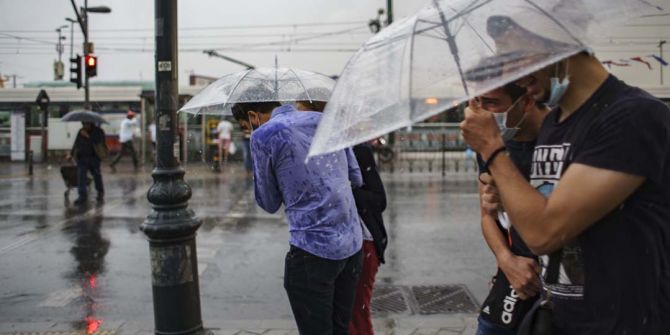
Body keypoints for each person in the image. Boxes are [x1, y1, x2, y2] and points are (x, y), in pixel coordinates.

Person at [461, 14, 670, 334]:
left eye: (516, 56)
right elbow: (548, 215)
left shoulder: (632, 116)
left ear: (554, 40)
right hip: (564, 317)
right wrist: (505, 205)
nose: (511, 71)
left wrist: (492, 149)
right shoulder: (556, 126)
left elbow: (544, 232)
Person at [235, 94, 363, 335]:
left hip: (312, 250)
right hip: (351, 247)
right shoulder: (326, 121)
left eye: (245, 126)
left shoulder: (264, 135)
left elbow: (269, 202)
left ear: (252, 116)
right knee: (340, 329)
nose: (248, 130)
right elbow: (356, 177)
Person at [295, 99, 389, 335]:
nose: (297, 114)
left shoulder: (357, 149)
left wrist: (345, 190)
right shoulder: (309, 152)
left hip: (362, 242)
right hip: (326, 244)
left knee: (355, 315)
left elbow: (379, 200)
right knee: (333, 317)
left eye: (301, 109)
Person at [470, 83, 549, 335]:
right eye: (477, 102)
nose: (482, 112)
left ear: (526, 101)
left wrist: (514, 201)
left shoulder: (562, 138)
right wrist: (506, 260)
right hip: (515, 273)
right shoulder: (490, 144)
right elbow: (487, 216)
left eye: (492, 102)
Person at [66, 121, 106, 205]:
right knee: (81, 177)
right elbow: (76, 143)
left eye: (86, 124)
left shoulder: (98, 132)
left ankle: (100, 192)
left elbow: (100, 143)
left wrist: (88, 136)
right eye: (83, 124)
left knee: (96, 176)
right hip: (82, 158)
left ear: (91, 124)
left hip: (94, 158)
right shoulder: (81, 131)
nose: (85, 126)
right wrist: (71, 154)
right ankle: (82, 196)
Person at [231, 106, 253, 177]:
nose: (243, 124)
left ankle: (252, 169)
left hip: (251, 139)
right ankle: (248, 170)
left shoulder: (251, 121)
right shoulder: (241, 122)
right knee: (247, 155)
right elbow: (243, 131)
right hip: (246, 140)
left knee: (251, 155)